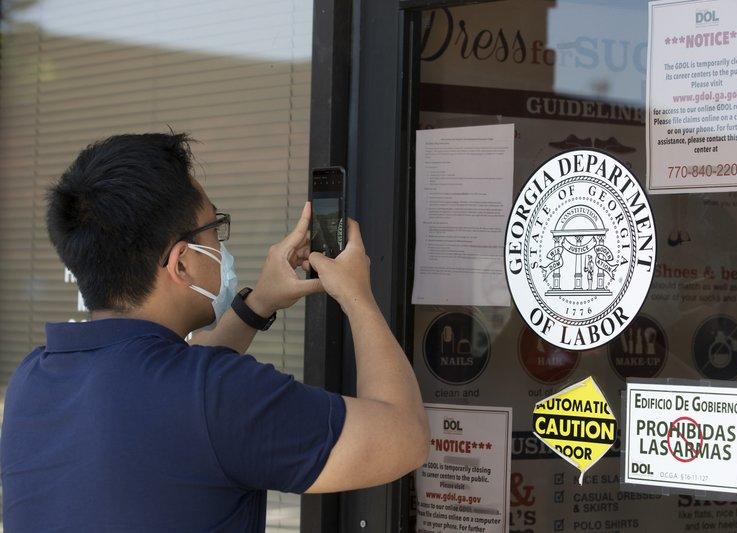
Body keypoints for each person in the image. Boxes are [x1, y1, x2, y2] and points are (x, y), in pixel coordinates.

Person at [0, 131, 430, 531]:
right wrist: (357, 295)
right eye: (214, 229)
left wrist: (259, 303)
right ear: (181, 262)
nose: (221, 247)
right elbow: (405, 435)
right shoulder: (219, 395)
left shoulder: (32, 382)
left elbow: (173, 392)